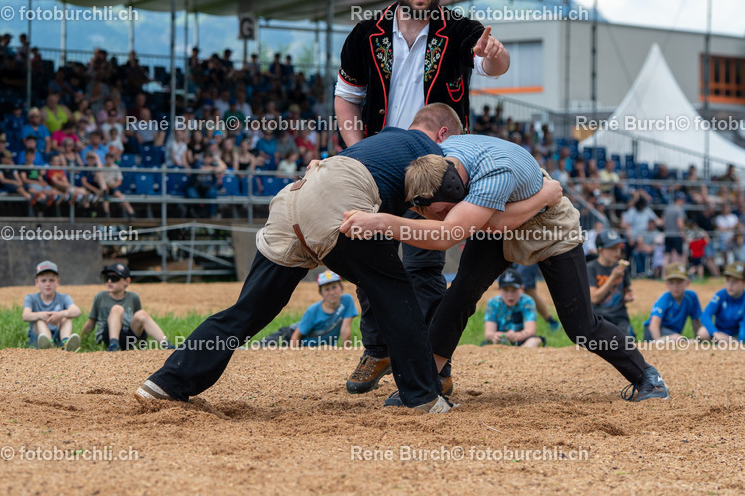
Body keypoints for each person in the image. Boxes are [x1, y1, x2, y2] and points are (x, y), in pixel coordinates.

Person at [135, 106, 521, 413]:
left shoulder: (381, 140)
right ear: (444, 136)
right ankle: (421, 397)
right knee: (397, 294)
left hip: (295, 200)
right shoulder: (437, 155)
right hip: (341, 204)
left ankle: (167, 382)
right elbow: (440, 215)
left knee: (248, 311)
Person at [340, 133, 670, 403]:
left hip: (546, 224)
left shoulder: (493, 175)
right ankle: (428, 383)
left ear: (457, 191)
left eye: (441, 213)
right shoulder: (437, 161)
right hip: (497, 221)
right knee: (460, 295)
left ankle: (647, 377)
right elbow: (466, 223)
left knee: (580, 325)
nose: (438, 219)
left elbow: (484, 226)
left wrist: (382, 221)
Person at [333, 0, 511, 396]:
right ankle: (378, 349)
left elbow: (496, 65)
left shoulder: (461, 30)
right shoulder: (365, 33)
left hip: (438, 167)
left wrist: (493, 54)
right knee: (365, 256)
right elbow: (346, 97)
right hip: (379, 163)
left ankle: (436, 362)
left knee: (423, 266)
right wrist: (357, 151)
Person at [82, 263, 173, 352]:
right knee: (117, 309)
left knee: (141, 314)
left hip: (128, 336)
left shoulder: (133, 297)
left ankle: (166, 345)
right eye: (107, 278)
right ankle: (113, 345)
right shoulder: (100, 296)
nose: (109, 281)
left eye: (114, 278)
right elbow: (91, 322)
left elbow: (139, 321)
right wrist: (82, 340)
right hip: (107, 336)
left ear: (127, 281)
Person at [262, 271, 359, 348]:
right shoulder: (313, 310)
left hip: (320, 348)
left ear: (342, 287)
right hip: (290, 336)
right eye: (327, 289)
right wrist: (292, 354)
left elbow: (345, 328)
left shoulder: (347, 301)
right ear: (321, 293)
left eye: (334, 287)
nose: (331, 292)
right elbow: (297, 335)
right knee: (260, 347)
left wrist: (345, 351)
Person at [22, 261, 82, 351]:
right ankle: (47, 345)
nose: (48, 284)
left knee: (66, 317)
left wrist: (61, 314)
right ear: (36, 282)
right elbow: (25, 316)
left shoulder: (64, 297)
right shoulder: (31, 298)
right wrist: (41, 315)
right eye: (43, 280)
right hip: (37, 337)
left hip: (58, 335)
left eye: (52, 280)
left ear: (58, 282)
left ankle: (65, 344)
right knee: (39, 320)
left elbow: (77, 311)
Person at [588, 229, 635, 338]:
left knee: (626, 344)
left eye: (618, 247)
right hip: (599, 317)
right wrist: (613, 278)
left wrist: (628, 296)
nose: (617, 252)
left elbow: (626, 290)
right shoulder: (591, 268)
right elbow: (594, 298)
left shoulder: (622, 268)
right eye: (612, 248)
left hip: (620, 316)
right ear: (600, 250)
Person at [482, 269, 544, 348]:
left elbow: (530, 331)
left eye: (514, 290)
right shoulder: (493, 303)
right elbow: (488, 333)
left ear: (521, 288)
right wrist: (496, 336)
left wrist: (516, 336)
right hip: (499, 341)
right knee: (487, 345)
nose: (510, 295)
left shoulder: (527, 302)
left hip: (522, 340)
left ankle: (520, 354)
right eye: (506, 290)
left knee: (534, 341)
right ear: (499, 290)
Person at [643, 263, 701, 341]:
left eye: (679, 282)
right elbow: (654, 324)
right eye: (671, 283)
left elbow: (696, 321)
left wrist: (699, 338)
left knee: (681, 339)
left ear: (687, 282)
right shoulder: (665, 298)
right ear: (666, 284)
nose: (675, 286)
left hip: (673, 334)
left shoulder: (691, 297)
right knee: (680, 339)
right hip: (654, 332)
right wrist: (658, 341)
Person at [509, 262, 558, 330]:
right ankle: (551, 321)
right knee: (530, 291)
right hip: (509, 254)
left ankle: (516, 327)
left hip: (528, 254)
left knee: (520, 287)